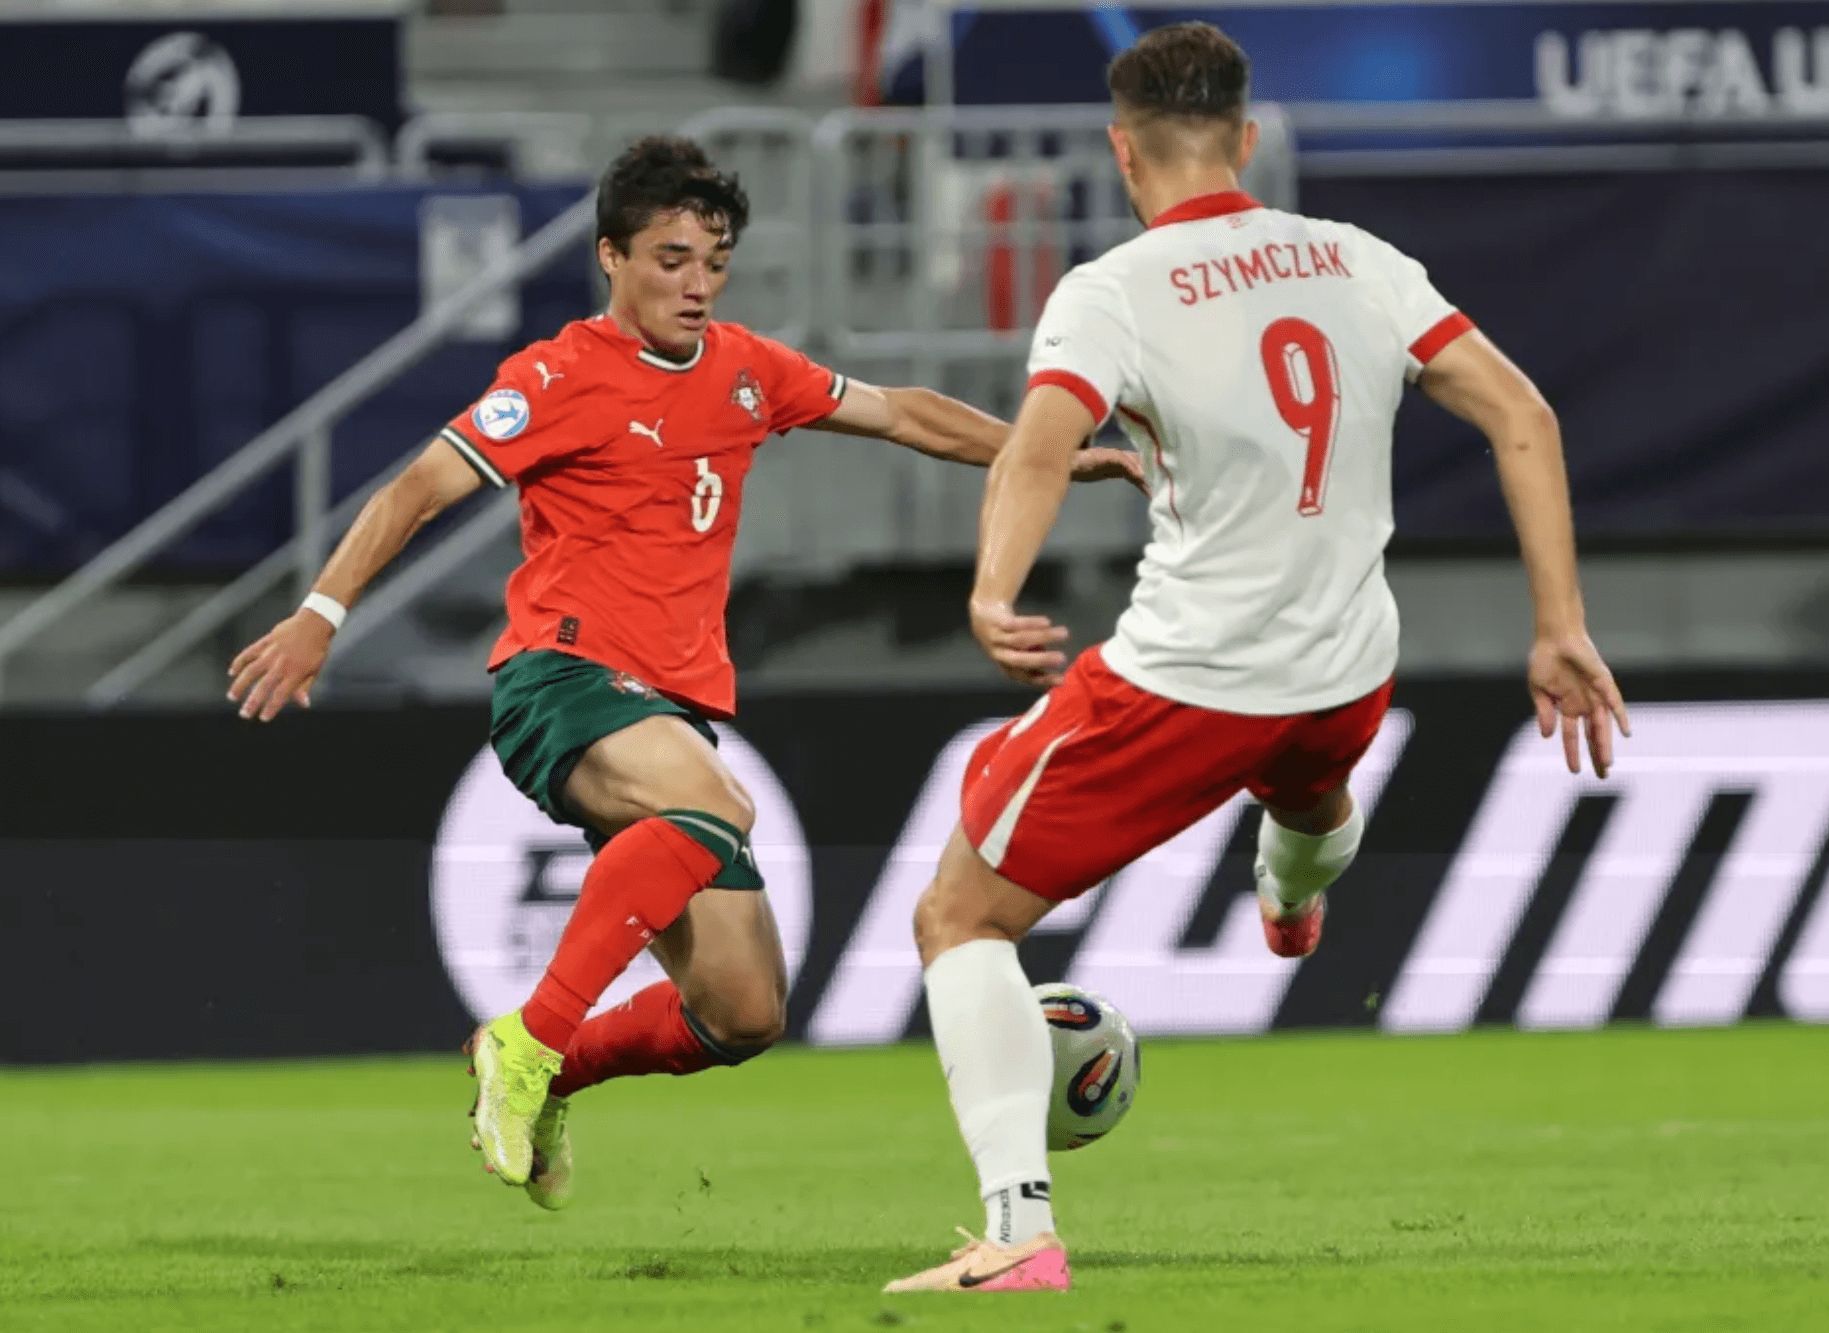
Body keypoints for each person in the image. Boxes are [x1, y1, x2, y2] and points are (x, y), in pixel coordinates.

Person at [225, 136, 1142, 1209]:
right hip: (561, 680)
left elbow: (898, 411)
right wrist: (320, 615)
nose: (696, 284)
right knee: (717, 806)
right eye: (670, 260)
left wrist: (1040, 451)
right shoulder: (555, 377)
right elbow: (415, 490)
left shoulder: (746, 371)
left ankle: (549, 1069)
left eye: (713, 262)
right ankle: (530, 1040)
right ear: (610, 257)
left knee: (744, 1011)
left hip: (669, 710)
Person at [881, 23, 1628, 1294]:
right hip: (1346, 674)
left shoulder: (1113, 289)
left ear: (1122, 153)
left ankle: (1018, 1233)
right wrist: (1558, 625)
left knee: (957, 915)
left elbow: (1039, 443)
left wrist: (992, 588)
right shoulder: (1359, 260)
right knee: (1309, 791)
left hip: (1190, 681)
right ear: (1243, 136)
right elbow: (1522, 413)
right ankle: (1288, 895)